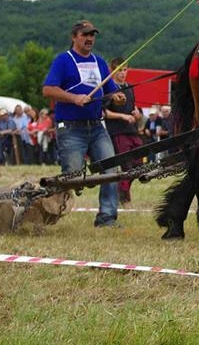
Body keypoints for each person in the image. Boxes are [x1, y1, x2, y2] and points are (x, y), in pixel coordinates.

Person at [42, 19, 124, 228]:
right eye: (84, 35)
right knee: (73, 176)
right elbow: (48, 90)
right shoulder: (63, 60)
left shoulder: (100, 62)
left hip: (96, 126)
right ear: (74, 37)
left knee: (111, 170)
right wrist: (74, 98)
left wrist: (117, 97)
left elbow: (110, 89)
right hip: (71, 128)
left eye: (92, 35)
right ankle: (46, 208)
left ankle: (107, 217)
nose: (89, 39)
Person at [104, 58, 145, 203]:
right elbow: (104, 113)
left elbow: (134, 106)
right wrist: (123, 116)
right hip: (117, 131)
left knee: (139, 165)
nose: (122, 73)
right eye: (119, 70)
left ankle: (121, 188)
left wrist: (137, 114)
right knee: (126, 164)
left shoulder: (129, 87)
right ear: (112, 70)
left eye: (125, 70)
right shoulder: (108, 89)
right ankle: (124, 197)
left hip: (132, 130)